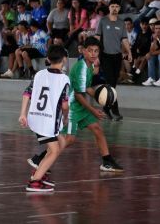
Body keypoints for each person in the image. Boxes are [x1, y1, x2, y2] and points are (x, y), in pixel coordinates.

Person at [27, 37, 124, 172]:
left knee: (97, 129)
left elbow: (86, 88)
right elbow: (78, 94)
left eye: (96, 51)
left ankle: (107, 161)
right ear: (83, 51)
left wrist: (100, 95)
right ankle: (39, 159)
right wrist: (94, 110)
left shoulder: (89, 65)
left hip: (80, 107)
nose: (93, 54)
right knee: (69, 139)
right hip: (73, 107)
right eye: (90, 51)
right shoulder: (81, 68)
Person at [19, 44, 70, 192]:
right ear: (64, 60)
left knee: (62, 142)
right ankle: (34, 182)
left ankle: (40, 172)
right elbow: (65, 106)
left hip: (35, 117)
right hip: (47, 121)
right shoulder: (64, 79)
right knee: (54, 150)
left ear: (48, 58)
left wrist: (23, 113)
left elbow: (27, 93)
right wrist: (65, 118)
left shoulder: (39, 74)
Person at [95, 0, 132, 121]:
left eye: (117, 6)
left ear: (119, 9)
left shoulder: (121, 23)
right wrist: (95, 56)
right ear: (109, 8)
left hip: (117, 56)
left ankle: (106, 108)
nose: (114, 8)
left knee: (113, 85)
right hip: (105, 56)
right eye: (112, 6)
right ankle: (115, 110)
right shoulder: (103, 21)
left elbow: (124, 39)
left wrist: (129, 52)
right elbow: (97, 38)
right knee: (110, 84)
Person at [142, 20, 160, 87]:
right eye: (156, 28)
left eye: (159, 28)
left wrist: (151, 53)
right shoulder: (154, 36)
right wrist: (155, 40)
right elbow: (152, 49)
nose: (158, 30)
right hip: (159, 53)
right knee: (151, 57)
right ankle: (151, 78)